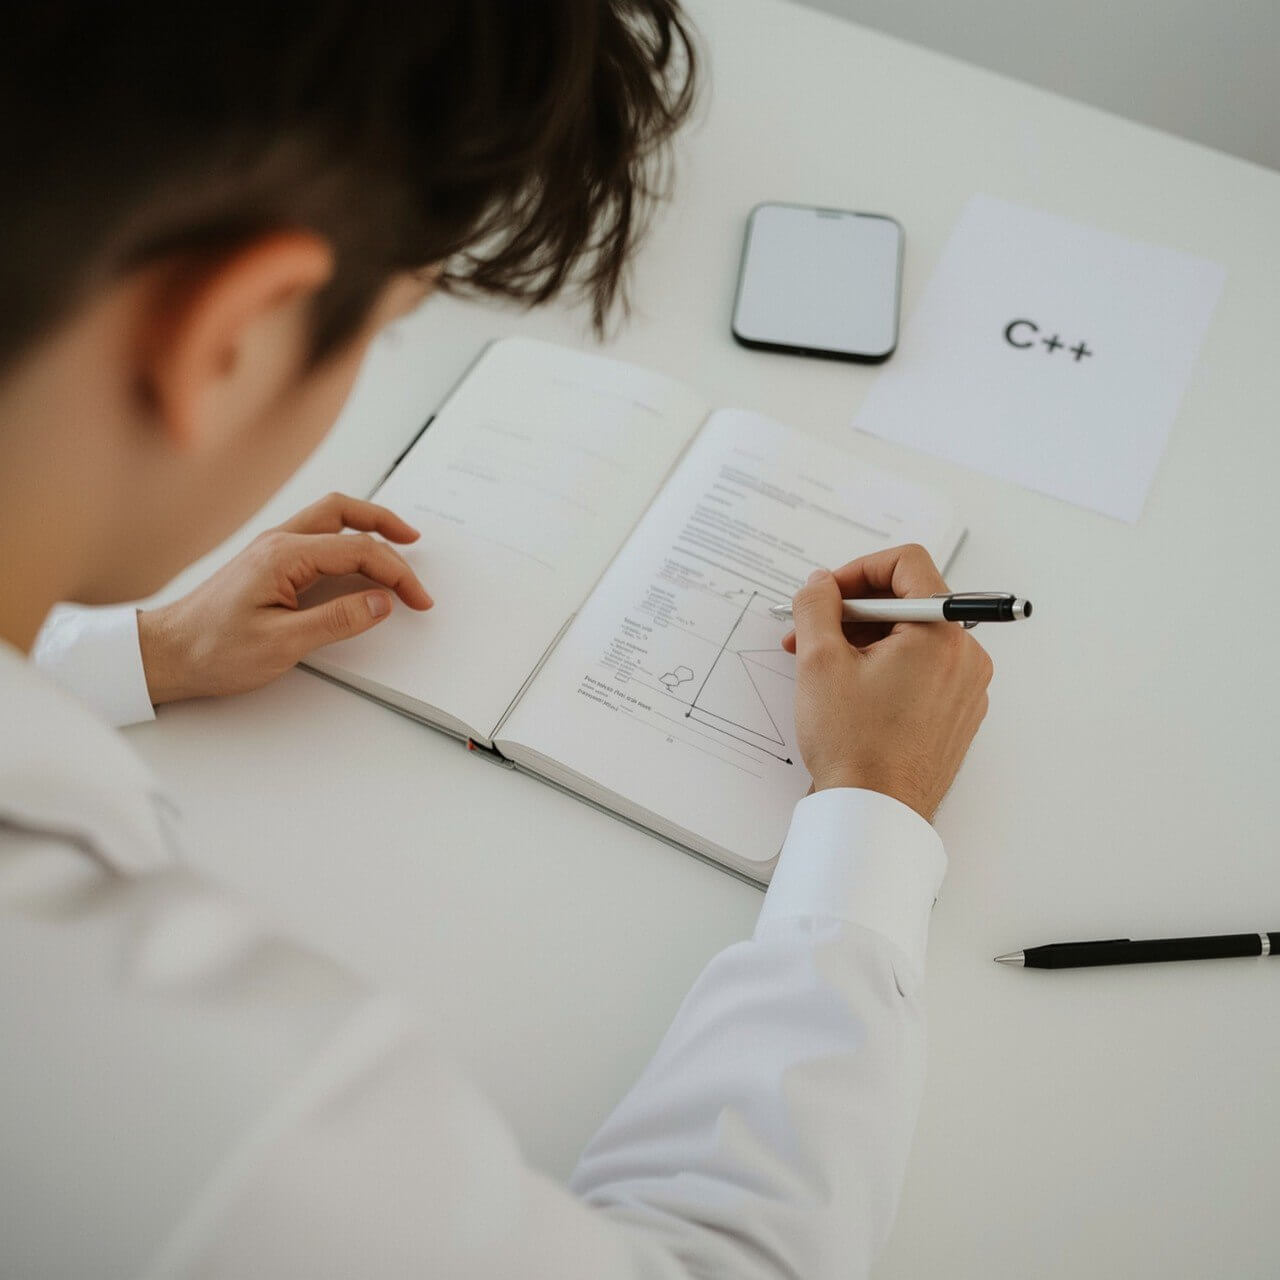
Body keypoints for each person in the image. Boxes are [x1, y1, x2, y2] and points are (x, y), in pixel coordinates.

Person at [0, 2, 993, 1277]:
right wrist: (870, 817)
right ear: (231, 335)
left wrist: (129, 648)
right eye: (388, 324)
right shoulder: (176, 1097)